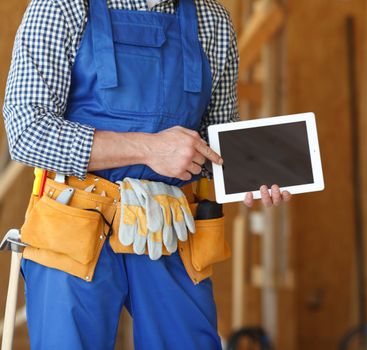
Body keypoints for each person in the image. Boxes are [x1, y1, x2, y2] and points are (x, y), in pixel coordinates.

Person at [2, 0, 291, 348]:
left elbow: (216, 137)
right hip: (74, 225)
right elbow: (27, 133)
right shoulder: (62, 6)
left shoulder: (211, 20)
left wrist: (250, 174)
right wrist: (148, 148)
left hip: (169, 228)